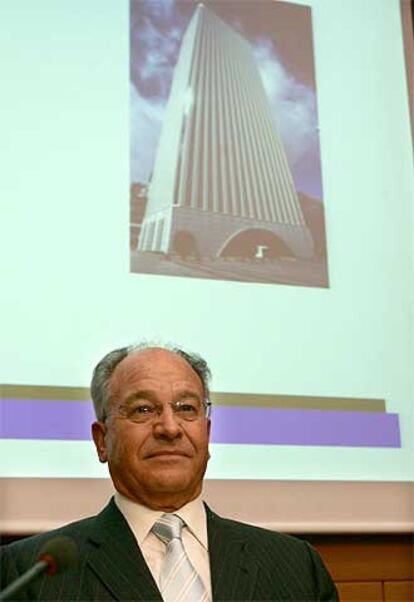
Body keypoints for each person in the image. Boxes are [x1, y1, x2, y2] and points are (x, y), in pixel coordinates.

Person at [1, 343, 338, 601]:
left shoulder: (295, 566)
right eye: (143, 409)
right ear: (102, 440)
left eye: (186, 408)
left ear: (207, 432)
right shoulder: (29, 573)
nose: (169, 427)